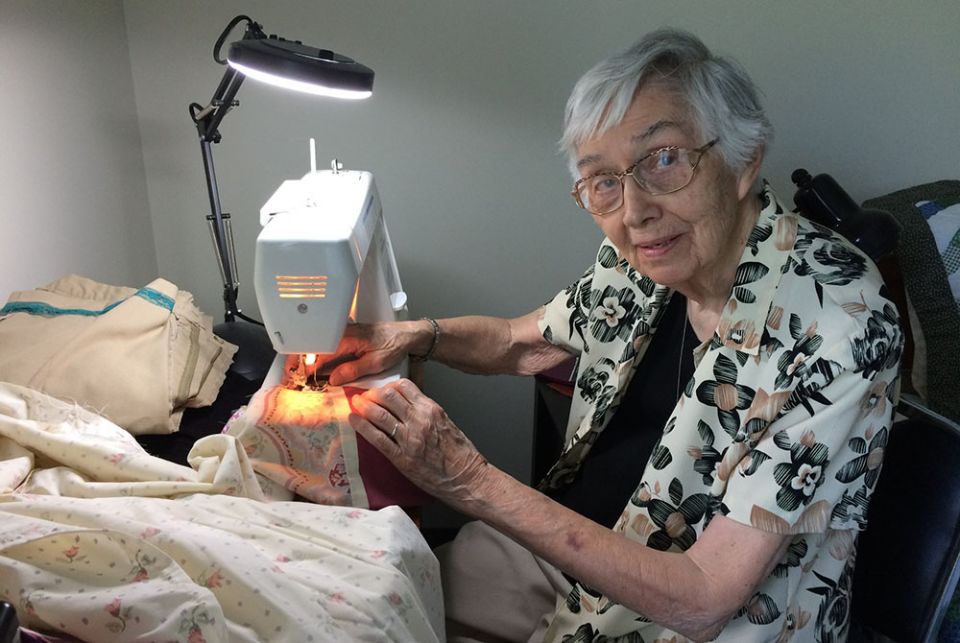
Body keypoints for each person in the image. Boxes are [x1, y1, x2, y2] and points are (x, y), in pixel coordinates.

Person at [321, 28, 903, 642]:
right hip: (576, 546)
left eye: (664, 159)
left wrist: (469, 481)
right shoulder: (642, 258)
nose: (632, 212)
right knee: (364, 597)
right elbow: (527, 342)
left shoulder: (841, 323)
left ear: (743, 162)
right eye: (603, 180)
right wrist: (412, 336)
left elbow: (706, 597)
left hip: (698, 618)